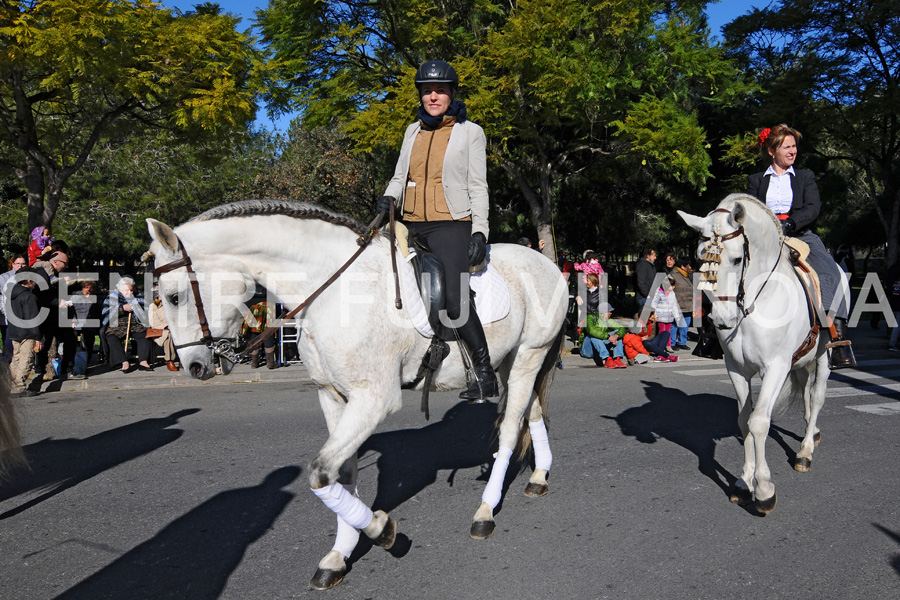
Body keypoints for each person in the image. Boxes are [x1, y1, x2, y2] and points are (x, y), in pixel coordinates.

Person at [379, 59, 496, 400]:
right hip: (412, 223)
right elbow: (400, 177)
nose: (433, 96)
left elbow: (478, 185)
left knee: (455, 299)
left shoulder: (470, 132)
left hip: (451, 223)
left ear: (451, 94)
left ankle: (485, 372)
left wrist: (480, 231)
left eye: (440, 91)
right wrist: (388, 200)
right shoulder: (411, 131)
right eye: (428, 91)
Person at [747, 124, 855, 368]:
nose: (793, 151)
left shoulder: (805, 176)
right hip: (765, 236)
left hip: (800, 234)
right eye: (787, 146)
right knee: (732, 264)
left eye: (794, 146)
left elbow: (812, 208)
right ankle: (716, 331)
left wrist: (791, 223)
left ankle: (839, 339)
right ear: (772, 150)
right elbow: (751, 209)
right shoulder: (755, 180)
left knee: (828, 270)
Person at [32, 250, 74, 380]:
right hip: (45, 316)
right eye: (65, 263)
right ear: (55, 262)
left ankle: (66, 369)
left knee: (70, 340)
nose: (66, 266)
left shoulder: (54, 275)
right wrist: (58, 302)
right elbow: (40, 296)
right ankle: (41, 371)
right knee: (44, 343)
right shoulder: (42, 274)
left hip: (57, 316)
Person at [101, 277, 153, 373]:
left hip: (135, 325)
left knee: (144, 335)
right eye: (126, 290)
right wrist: (122, 308)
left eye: (131, 290)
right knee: (112, 338)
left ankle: (143, 361)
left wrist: (136, 307)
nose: (130, 293)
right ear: (120, 290)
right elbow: (106, 313)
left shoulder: (138, 296)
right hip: (117, 326)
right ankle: (124, 362)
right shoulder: (112, 297)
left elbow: (145, 312)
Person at [7, 268, 44, 397]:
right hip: (27, 332)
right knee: (26, 359)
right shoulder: (29, 296)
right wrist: (37, 337)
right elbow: (31, 318)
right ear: (29, 280)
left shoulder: (11, 295)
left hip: (14, 331)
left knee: (16, 359)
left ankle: (11, 385)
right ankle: (19, 387)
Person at [68, 279, 103, 379]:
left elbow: (97, 312)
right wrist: (73, 321)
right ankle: (74, 358)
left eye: (91, 288)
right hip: (78, 321)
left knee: (89, 336)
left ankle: (87, 359)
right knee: (72, 336)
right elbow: (72, 311)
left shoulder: (96, 298)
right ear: (83, 288)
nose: (89, 290)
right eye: (87, 288)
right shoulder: (76, 297)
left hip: (90, 322)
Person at [580, 301, 627, 368]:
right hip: (587, 349)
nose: (611, 313)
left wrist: (616, 336)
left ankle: (617, 358)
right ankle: (607, 359)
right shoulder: (590, 317)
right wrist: (608, 337)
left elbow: (622, 328)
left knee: (618, 332)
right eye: (609, 311)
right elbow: (591, 330)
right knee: (594, 336)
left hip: (599, 347)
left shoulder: (607, 320)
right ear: (604, 313)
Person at [0, 254, 27, 362]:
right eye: (18, 263)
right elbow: (2, 298)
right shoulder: (3, 278)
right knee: (9, 346)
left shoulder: (29, 277)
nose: (20, 266)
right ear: (12, 265)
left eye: (23, 263)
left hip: (25, 317)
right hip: (7, 317)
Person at [240, 301, 278, 370]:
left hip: (253, 306)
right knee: (268, 332)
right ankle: (270, 363)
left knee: (254, 331)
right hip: (268, 305)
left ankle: (254, 363)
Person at [148, 294, 180, 371]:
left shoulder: (174, 304)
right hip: (161, 330)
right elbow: (153, 322)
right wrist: (166, 326)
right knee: (168, 335)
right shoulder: (154, 306)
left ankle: (183, 359)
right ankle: (169, 360)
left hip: (177, 329)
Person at [651, 277, 682, 351]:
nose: (673, 287)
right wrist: (654, 314)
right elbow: (654, 303)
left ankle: (668, 345)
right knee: (662, 331)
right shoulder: (659, 293)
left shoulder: (672, 294)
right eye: (671, 286)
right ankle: (661, 345)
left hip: (669, 316)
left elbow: (674, 305)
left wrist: (676, 315)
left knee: (668, 331)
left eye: (673, 286)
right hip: (661, 316)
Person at [669, 258, 694, 350]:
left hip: (688, 304)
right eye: (689, 265)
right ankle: (672, 343)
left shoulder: (687, 275)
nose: (690, 267)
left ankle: (682, 342)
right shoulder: (673, 274)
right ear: (683, 266)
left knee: (685, 324)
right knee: (675, 324)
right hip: (677, 304)